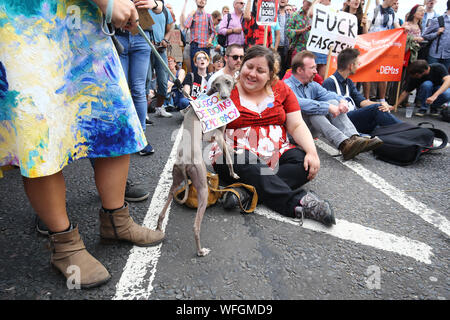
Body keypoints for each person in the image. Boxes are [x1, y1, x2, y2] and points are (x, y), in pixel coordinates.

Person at [0, 0, 164, 288]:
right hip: (28, 17)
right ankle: (65, 244)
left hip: (85, 19)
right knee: (39, 129)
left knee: (111, 116)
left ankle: (116, 221)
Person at [210, 46, 336, 226]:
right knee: (249, 162)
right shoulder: (226, 88)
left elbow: (297, 124)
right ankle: (298, 203)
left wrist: (312, 152)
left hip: (276, 152)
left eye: (260, 70)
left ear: (270, 74)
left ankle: (244, 192)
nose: (252, 74)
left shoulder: (282, 89)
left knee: (305, 164)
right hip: (233, 156)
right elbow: (206, 124)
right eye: (249, 66)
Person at [284, 51, 383, 160]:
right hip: (293, 134)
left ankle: (353, 138)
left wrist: (341, 101)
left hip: (308, 132)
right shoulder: (286, 86)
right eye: (312, 68)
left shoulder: (312, 85)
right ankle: (344, 145)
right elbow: (299, 103)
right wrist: (327, 107)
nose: (316, 72)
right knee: (314, 111)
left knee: (333, 102)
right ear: (299, 70)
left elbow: (328, 94)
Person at [115, 1, 165, 155]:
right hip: (118, 34)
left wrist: (154, 3)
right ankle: (120, 138)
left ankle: (140, 138)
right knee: (120, 90)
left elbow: (160, 7)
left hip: (142, 36)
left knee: (138, 89)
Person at [323, 48, 401, 134]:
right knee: (376, 110)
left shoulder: (349, 82)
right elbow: (330, 112)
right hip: (342, 120)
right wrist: (376, 106)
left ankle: (405, 133)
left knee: (380, 117)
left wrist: (381, 104)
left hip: (353, 118)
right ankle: (406, 130)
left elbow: (362, 102)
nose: (358, 66)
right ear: (351, 66)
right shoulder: (329, 82)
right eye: (357, 63)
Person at [365, 0, 401, 102]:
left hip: (385, 45)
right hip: (373, 44)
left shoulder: (392, 13)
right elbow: (368, 24)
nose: (395, 2)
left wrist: (403, 29)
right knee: (368, 72)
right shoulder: (374, 10)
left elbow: (397, 26)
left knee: (384, 72)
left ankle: (382, 99)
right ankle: (367, 98)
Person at [147, 2, 175, 118]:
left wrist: (165, 40)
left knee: (163, 81)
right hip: (146, 50)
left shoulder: (164, 9)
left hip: (161, 50)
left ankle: (159, 107)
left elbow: (170, 28)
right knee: (146, 80)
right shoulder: (143, 6)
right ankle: (143, 113)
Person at [184, 0, 216, 73]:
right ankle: (196, 84)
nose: (202, 1)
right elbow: (186, 25)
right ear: (195, 1)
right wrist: (191, 14)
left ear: (206, 2)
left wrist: (210, 40)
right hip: (194, 46)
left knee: (205, 71)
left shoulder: (208, 16)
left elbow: (213, 32)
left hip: (205, 47)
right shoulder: (192, 14)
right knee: (195, 70)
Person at [422, 1, 450, 70]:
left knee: (444, 78)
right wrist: (436, 33)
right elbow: (425, 35)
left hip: (448, 55)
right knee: (431, 76)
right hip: (434, 55)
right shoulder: (438, 20)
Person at [277, 0, 292, 78]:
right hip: (273, 47)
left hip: (285, 49)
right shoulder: (273, 15)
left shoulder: (290, 17)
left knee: (282, 71)